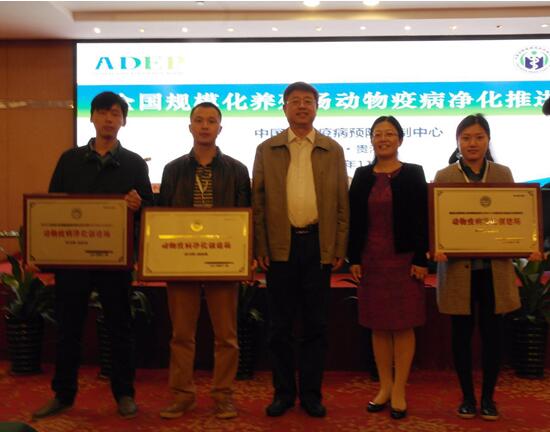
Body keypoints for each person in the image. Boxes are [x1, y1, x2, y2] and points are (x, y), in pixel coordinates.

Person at [32, 91, 154, 420]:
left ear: (123, 120)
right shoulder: (69, 159)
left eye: (115, 114)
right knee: (68, 328)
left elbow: (149, 208)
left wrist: (139, 204)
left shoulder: (134, 163)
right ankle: (63, 394)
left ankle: (124, 394)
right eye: (102, 113)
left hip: (115, 261)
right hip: (73, 260)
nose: (109, 119)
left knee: (119, 327)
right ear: (92, 117)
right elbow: (51, 206)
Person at [434, 114, 540, 421]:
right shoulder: (445, 176)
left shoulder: (502, 173)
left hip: (495, 272)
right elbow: (438, 222)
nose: (472, 143)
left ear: (488, 140)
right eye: (466, 138)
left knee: (494, 336)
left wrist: (528, 243)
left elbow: (516, 216)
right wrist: (437, 245)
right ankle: (467, 397)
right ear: (457, 142)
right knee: (461, 336)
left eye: (479, 137)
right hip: (458, 272)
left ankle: (489, 398)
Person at [252, 81, 349, 418]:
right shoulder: (267, 149)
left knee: (315, 325)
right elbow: (259, 202)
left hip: (317, 245)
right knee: (279, 326)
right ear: (285, 108)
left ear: (317, 107)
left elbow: (342, 202)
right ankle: (283, 393)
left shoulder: (332, 149)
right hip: (281, 245)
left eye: (309, 101)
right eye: (295, 101)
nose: (302, 106)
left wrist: (338, 245)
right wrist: (261, 245)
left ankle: (311, 394)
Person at [158, 102, 251, 420]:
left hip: (223, 261)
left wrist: (244, 257)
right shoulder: (172, 169)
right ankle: (182, 395)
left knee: (227, 336)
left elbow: (245, 218)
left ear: (220, 128)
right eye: (199, 120)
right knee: (181, 335)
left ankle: (223, 395)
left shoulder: (237, 170)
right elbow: (163, 217)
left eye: (211, 121)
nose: (205, 125)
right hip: (181, 260)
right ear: (190, 127)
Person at [348, 115, 428, 420]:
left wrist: (421, 259)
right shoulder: (361, 175)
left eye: (389, 134)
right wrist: (354, 258)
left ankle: (399, 390)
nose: (383, 139)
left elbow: (422, 219)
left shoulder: (413, 173)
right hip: (371, 259)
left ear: (400, 139)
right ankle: (384, 386)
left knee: (404, 325)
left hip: (405, 260)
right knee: (378, 325)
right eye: (378, 134)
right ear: (371, 140)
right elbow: (355, 220)